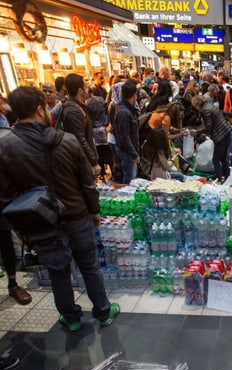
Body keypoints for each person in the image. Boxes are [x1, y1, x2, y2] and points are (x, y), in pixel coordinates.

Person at [0, 86, 120, 331]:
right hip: (76, 215)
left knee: (58, 271)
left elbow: (5, 194)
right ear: (40, 109)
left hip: (39, 221)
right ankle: (103, 312)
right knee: (89, 266)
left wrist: (20, 226)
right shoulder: (67, 141)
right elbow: (87, 182)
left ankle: (71, 318)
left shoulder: (6, 147)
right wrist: (94, 211)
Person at [61, 74, 100, 177]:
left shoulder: (78, 107)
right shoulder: (73, 111)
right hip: (80, 161)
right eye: (86, 87)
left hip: (82, 159)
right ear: (80, 91)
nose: (88, 89)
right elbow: (80, 139)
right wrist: (93, 162)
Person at [114, 80, 140, 184]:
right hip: (127, 151)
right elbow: (124, 136)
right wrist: (134, 154)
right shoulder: (124, 112)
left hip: (128, 150)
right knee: (130, 177)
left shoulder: (125, 109)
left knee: (131, 175)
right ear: (134, 95)